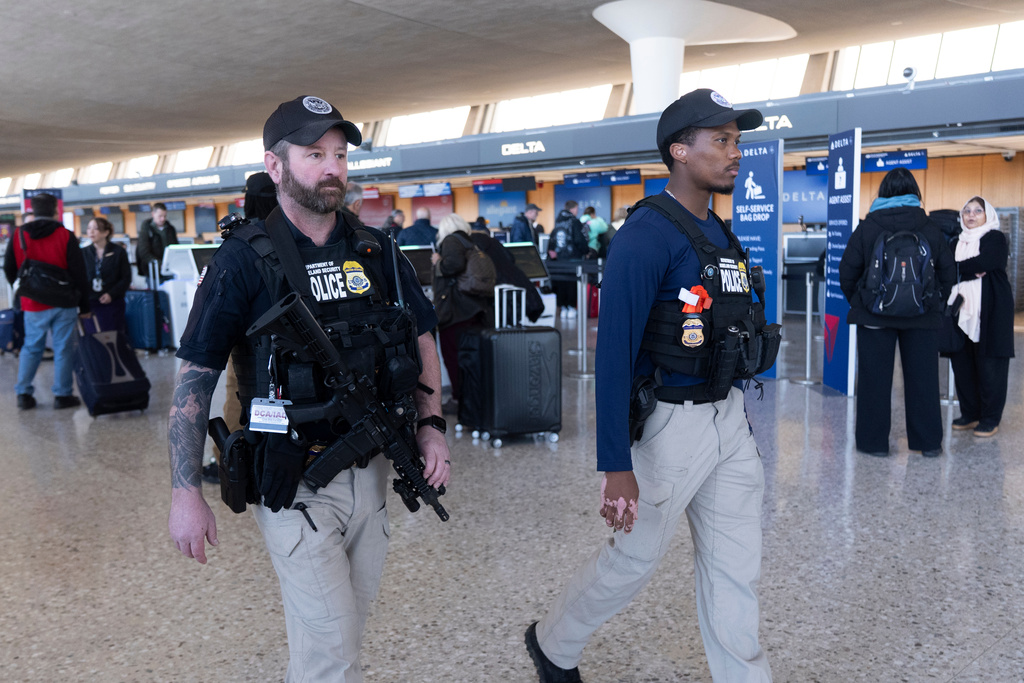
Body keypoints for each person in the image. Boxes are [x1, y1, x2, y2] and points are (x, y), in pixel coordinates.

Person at [167, 95, 450, 681]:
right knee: (333, 654)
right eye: (314, 153)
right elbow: (196, 375)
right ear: (276, 167)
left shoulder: (375, 250)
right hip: (292, 480)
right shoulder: (242, 262)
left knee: (339, 636)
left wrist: (431, 425)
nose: (333, 168)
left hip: (372, 472)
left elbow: (422, 333)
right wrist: (184, 491)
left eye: (341, 155)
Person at [526, 88, 774, 682]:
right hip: (669, 426)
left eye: (737, 140)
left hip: (728, 420)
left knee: (737, 567)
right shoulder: (646, 235)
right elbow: (612, 354)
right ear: (680, 151)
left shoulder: (719, 232)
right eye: (722, 141)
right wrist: (616, 464)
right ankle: (554, 643)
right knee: (633, 562)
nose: (735, 153)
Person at [838, 167, 955, 457]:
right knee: (924, 381)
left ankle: (873, 444)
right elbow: (948, 273)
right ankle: (927, 444)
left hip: (874, 316)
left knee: (873, 382)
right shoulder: (929, 227)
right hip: (922, 316)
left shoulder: (868, 226)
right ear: (915, 192)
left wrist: (862, 302)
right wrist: (933, 304)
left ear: (883, 192)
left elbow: (846, 273)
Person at [4, 192, 91, 410]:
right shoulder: (65, 235)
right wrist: (85, 305)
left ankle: (23, 394)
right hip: (65, 302)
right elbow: (79, 273)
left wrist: (25, 287)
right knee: (63, 349)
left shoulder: (20, 235)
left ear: (32, 210)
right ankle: (62, 396)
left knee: (32, 347)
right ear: (55, 210)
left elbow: (9, 268)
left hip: (33, 303)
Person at [947, 196, 1015, 437]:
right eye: (966, 211)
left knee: (991, 366)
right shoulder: (956, 241)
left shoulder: (994, 238)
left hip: (991, 309)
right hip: (959, 310)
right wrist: (966, 269)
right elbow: (945, 267)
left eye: (978, 210)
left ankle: (990, 418)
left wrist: (957, 268)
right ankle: (970, 413)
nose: (971, 215)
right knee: (963, 364)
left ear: (988, 215)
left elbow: (989, 260)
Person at [431, 213, 494, 415]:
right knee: (471, 357)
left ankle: (460, 399)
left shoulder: (451, 240)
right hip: (474, 307)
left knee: (453, 357)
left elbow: (453, 265)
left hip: (455, 310)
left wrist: (437, 262)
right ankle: (473, 397)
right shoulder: (470, 242)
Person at [469, 215, 544, 324]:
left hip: (495, 291)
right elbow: (511, 258)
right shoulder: (494, 242)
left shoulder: (472, 246)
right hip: (515, 284)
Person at [82, 216, 132, 332]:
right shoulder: (83, 253)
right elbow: (80, 277)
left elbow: (126, 277)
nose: (91, 232)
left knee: (113, 335)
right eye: (89, 228)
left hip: (113, 301)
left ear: (106, 232)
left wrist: (111, 294)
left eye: (95, 228)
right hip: (91, 301)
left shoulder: (118, 252)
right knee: (92, 336)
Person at [547, 200, 589, 318]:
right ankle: (571, 308)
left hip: (559, 261)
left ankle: (563, 307)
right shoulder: (575, 222)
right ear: (574, 209)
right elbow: (580, 241)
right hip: (573, 259)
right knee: (572, 284)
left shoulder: (558, 222)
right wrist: (586, 251)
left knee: (561, 283)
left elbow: (552, 242)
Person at [135, 201, 179, 279]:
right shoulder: (146, 229)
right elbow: (143, 252)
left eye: (165, 216)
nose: (163, 219)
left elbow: (176, 247)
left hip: (170, 269)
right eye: (160, 216)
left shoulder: (170, 229)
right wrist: (159, 264)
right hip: (152, 271)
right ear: (153, 214)